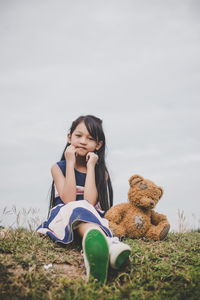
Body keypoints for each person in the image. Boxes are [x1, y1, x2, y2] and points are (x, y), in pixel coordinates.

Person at [37, 115, 131, 284]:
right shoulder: (58, 168)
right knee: (77, 208)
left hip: (90, 216)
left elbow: (89, 201)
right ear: (69, 137)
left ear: (98, 145)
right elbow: (69, 200)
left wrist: (91, 167)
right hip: (64, 217)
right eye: (78, 136)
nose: (82, 141)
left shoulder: (101, 172)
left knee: (84, 212)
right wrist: (70, 163)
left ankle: (99, 247)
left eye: (90, 138)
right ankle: (108, 245)